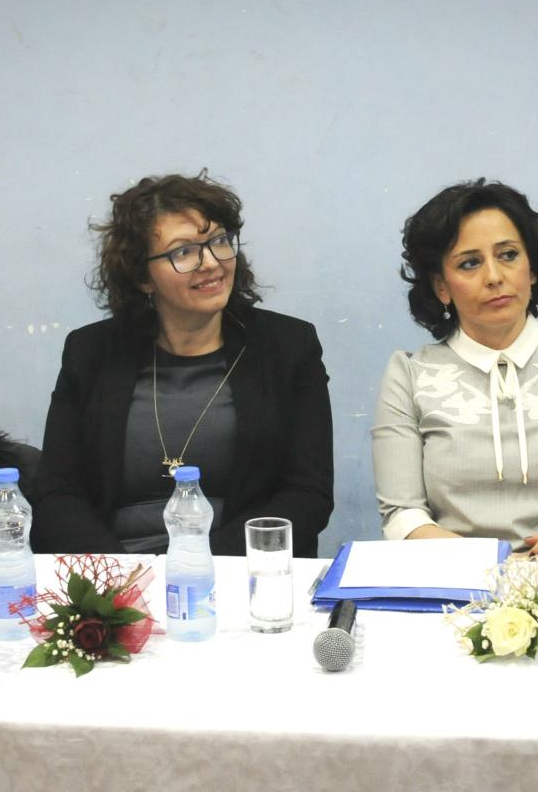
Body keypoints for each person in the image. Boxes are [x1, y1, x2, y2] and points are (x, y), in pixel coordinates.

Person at [31, 172, 333, 558]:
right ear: (142, 276)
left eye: (219, 241)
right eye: (184, 252)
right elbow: (58, 493)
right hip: (117, 571)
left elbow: (307, 494)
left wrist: (201, 569)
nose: (211, 263)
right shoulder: (91, 353)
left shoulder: (288, 347)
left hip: (238, 568)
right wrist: (121, 574)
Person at [372, 180, 538, 560]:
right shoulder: (410, 375)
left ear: (532, 270)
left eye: (509, 255)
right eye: (469, 263)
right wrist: (511, 566)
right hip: (458, 585)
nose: (495, 276)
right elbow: (403, 518)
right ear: (441, 287)